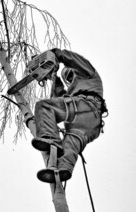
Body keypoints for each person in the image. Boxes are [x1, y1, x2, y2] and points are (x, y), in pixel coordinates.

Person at [30, 48, 107, 183]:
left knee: (44, 107)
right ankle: (62, 170)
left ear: (74, 70)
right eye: (68, 78)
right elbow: (60, 99)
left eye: (71, 74)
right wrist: (54, 78)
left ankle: (50, 138)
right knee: (70, 145)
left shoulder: (87, 73)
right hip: (91, 124)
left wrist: (56, 54)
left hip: (87, 106)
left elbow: (72, 59)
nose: (71, 79)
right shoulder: (74, 91)